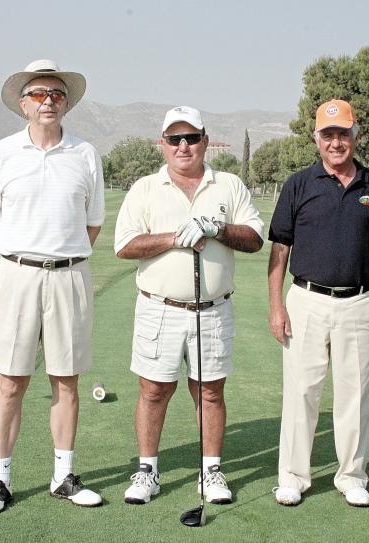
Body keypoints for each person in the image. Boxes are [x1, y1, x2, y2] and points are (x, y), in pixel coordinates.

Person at [114, 106, 264, 505]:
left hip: (213, 309)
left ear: (205, 140)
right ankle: (147, 470)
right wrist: (175, 237)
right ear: (162, 144)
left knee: (210, 393)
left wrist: (215, 227)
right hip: (159, 308)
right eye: (175, 139)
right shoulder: (145, 188)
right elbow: (125, 245)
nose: (184, 146)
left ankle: (211, 470)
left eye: (192, 138)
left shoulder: (229, 184)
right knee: (153, 391)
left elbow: (253, 238)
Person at [0, 59, 105, 515]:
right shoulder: (1, 154)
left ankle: (63, 477)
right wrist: (12, 268)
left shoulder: (86, 154)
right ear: (22, 104)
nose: (48, 100)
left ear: (66, 104)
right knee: (11, 382)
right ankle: (0, 480)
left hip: (70, 275)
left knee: (66, 381)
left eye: (56, 94)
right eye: (39, 94)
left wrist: (59, 259)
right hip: (17, 275)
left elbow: (92, 224)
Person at [268, 99, 369, 507]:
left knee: (354, 393)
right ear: (316, 139)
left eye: (343, 133)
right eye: (329, 135)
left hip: (360, 302)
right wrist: (276, 305)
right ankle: (293, 476)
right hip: (306, 300)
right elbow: (280, 250)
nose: (336, 142)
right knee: (301, 393)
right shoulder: (298, 184)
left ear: (355, 136)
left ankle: (352, 476)